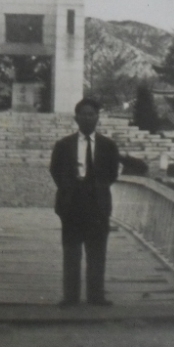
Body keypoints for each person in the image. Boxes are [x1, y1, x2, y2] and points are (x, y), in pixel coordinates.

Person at [49, 97, 121, 306]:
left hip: (97, 205)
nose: (88, 118)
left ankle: (96, 296)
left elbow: (112, 173)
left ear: (97, 118)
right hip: (72, 204)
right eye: (83, 114)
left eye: (92, 114)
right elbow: (55, 170)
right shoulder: (63, 145)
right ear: (76, 118)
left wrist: (97, 188)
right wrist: (69, 188)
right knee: (71, 251)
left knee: (97, 252)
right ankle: (70, 297)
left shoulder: (108, 146)